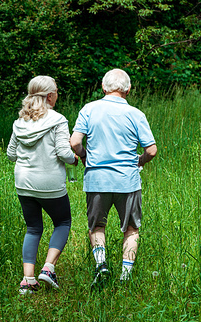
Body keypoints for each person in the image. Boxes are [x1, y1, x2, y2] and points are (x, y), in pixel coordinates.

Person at [70, 69, 157, 288]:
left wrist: (84, 156)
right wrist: (139, 161)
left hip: (97, 179)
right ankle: (125, 277)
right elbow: (152, 150)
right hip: (127, 181)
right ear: (128, 90)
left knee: (97, 226)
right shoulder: (136, 114)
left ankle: (102, 266)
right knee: (131, 229)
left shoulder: (89, 109)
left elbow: (74, 143)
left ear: (103, 88)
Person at [7, 75, 79, 295]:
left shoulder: (20, 122)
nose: (57, 94)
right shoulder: (58, 120)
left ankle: (27, 280)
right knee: (63, 222)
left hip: (24, 183)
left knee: (33, 227)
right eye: (56, 90)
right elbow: (64, 153)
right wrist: (76, 160)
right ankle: (48, 269)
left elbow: (11, 155)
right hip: (49, 183)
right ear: (50, 95)